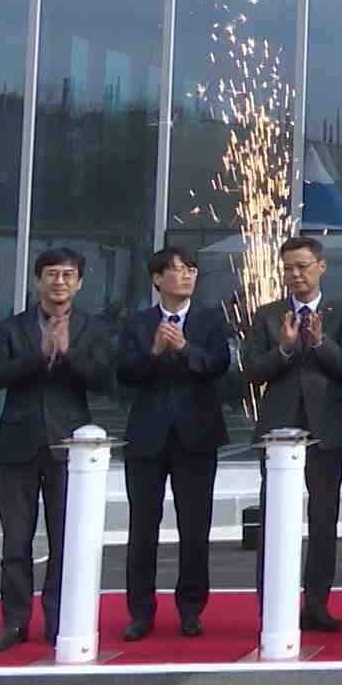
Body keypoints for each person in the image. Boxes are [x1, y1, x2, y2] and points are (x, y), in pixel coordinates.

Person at [0, 248, 111, 652]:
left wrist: (67, 355)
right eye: (52, 274)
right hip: (16, 446)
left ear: (79, 282)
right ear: (37, 280)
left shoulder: (92, 327)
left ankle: (58, 620)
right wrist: (39, 354)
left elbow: (104, 380)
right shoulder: (11, 327)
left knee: (64, 540)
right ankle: (14, 622)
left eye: (68, 275)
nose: (59, 281)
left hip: (69, 448)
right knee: (15, 542)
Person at [243, 236, 342, 633]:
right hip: (279, 431)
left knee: (323, 519)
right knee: (274, 519)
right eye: (288, 267)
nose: (295, 274)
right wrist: (284, 349)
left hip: (326, 427)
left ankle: (317, 604)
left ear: (321, 267)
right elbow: (253, 371)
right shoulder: (268, 314)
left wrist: (320, 342)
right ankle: (272, 604)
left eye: (303, 266)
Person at [117, 247, 231, 642]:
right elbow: (124, 375)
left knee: (195, 526)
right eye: (177, 270)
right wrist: (154, 352)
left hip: (196, 435)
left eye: (191, 270)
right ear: (157, 278)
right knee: (142, 527)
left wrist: (183, 348)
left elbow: (219, 367)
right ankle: (140, 612)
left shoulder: (210, 320)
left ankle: (191, 609)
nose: (185, 276)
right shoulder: (138, 323)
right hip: (147, 436)